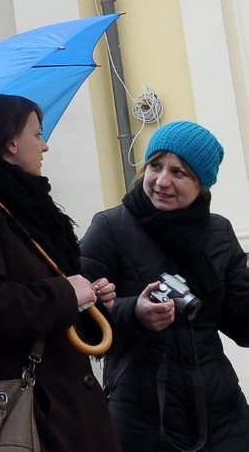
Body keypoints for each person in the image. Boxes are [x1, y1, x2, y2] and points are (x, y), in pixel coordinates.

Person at [0, 93, 121, 452]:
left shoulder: (26, 210)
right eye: (37, 134)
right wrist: (66, 295)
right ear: (11, 142)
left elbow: (42, 293)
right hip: (13, 417)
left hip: (60, 415)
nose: (44, 146)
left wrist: (88, 301)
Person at [81, 120, 249, 451]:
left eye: (179, 172)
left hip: (221, 415)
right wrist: (135, 314)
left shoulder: (217, 233)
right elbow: (79, 322)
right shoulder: (110, 228)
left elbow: (243, 326)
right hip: (139, 418)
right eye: (155, 166)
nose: (161, 181)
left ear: (201, 184)